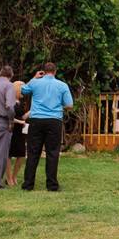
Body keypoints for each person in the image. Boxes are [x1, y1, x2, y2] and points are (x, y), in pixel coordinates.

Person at [20, 62, 73, 192]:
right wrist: (59, 106)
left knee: (33, 152)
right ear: (55, 72)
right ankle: (52, 185)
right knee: (52, 153)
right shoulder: (62, 85)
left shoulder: (35, 83)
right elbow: (70, 104)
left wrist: (34, 77)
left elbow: (23, 90)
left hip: (37, 120)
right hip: (54, 121)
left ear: (42, 71)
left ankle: (28, 184)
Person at [6, 81, 29, 187]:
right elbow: (8, 117)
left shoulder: (19, 102)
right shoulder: (9, 101)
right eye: (22, 90)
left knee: (21, 154)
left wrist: (31, 112)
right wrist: (20, 122)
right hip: (11, 130)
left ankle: (14, 176)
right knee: (9, 155)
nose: (24, 92)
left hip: (20, 131)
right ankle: (9, 178)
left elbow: (22, 117)